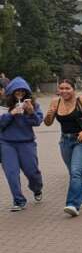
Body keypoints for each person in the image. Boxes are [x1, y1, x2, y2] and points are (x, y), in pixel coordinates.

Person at [44, 78, 82, 216]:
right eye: (61, 88)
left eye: (67, 88)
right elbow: (47, 123)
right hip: (65, 141)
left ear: (73, 89)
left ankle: (72, 205)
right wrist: (49, 114)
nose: (64, 91)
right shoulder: (55, 102)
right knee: (75, 172)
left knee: (76, 172)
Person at [0, 76, 44, 211]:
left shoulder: (33, 105)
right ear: (11, 92)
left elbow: (37, 122)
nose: (20, 93)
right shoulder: (3, 106)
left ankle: (37, 188)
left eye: (22, 91)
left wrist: (30, 113)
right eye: (17, 90)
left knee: (32, 172)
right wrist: (11, 113)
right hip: (6, 143)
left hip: (27, 143)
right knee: (11, 173)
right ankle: (18, 201)